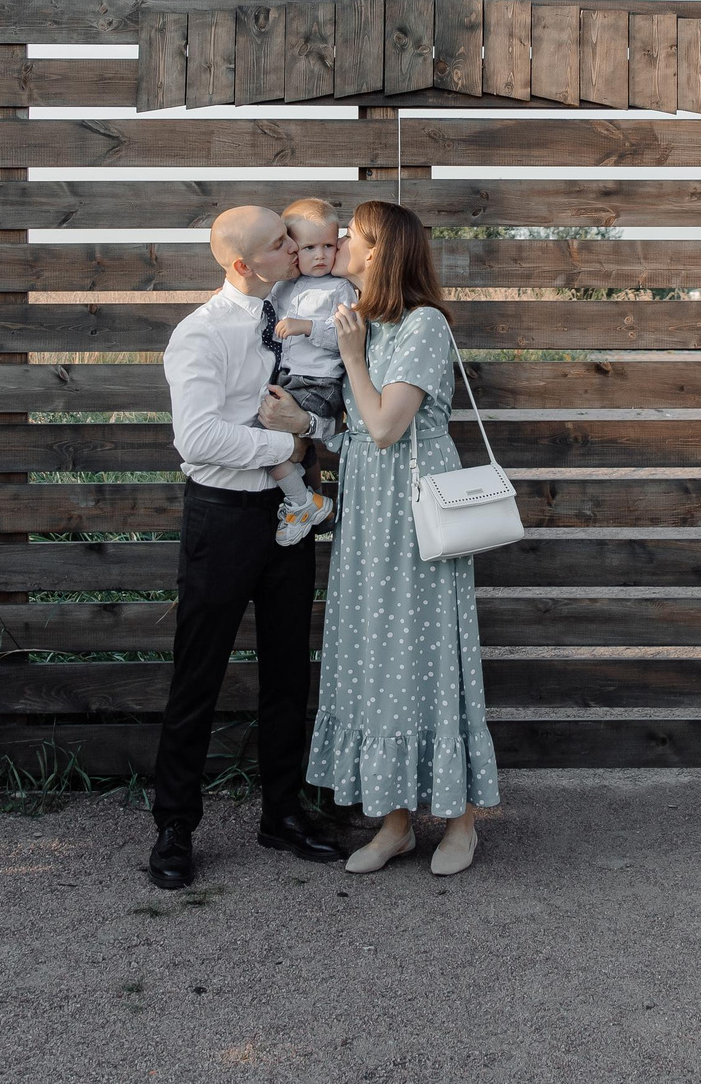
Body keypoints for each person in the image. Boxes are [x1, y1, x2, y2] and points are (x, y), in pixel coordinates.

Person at [147, 204, 346, 888]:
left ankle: (282, 813)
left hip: (288, 516)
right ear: (243, 263)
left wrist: (308, 431)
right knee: (197, 672)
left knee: (289, 668)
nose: (296, 247)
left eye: (294, 238)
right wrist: (284, 444)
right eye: (279, 242)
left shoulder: (296, 316)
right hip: (223, 515)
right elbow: (197, 438)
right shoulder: (200, 334)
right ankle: (174, 825)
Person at [306, 200, 502, 876]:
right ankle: (394, 822)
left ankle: (461, 820)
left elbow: (387, 424)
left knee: (427, 653)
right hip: (368, 509)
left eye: (352, 238)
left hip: (416, 510)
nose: (339, 244)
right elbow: (358, 432)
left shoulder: (422, 324)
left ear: (381, 252)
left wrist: (352, 355)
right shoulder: (369, 321)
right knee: (374, 654)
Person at [264, 196, 355, 546]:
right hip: (287, 376)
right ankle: (316, 502)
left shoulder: (340, 288)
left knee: (273, 445)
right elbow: (262, 307)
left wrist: (307, 327)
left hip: (319, 381)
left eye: (329, 246)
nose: (320, 255)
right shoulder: (283, 286)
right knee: (296, 446)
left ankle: (303, 503)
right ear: (291, 249)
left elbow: (347, 336)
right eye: (309, 247)